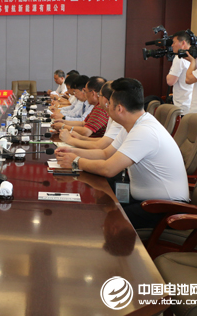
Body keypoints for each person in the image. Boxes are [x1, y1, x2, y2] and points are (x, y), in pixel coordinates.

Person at [56, 78, 189, 229]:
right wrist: (71, 151)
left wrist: (76, 161)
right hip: (146, 201)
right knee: (99, 206)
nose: (106, 108)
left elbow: (108, 168)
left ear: (119, 108)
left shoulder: (144, 131)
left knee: (101, 218)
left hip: (164, 208)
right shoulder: (133, 124)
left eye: (109, 104)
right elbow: (105, 154)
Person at [58, 81, 123, 149]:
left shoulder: (103, 110)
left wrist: (69, 138)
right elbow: (104, 140)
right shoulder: (106, 112)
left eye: (99, 95)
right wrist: (81, 138)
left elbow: (101, 147)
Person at [166, 31, 195, 113]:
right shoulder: (196, 57)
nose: (172, 45)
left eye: (174, 42)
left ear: (183, 43)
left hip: (182, 105)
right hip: (193, 104)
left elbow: (170, 81)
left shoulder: (179, 58)